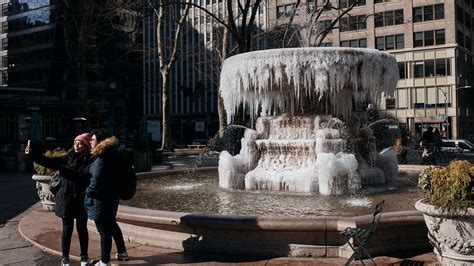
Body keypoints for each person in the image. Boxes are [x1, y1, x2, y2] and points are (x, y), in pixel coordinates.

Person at [25, 133, 94, 266]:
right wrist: (33, 155)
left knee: (82, 228)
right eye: (75, 142)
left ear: (86, 145)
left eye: (80, 142)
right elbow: (49, 162)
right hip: (66, 198)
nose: (76, 144)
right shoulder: (67, 158)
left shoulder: (91, 160)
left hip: (81, 198)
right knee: (67, 229)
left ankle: (84, 258)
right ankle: (65, 258)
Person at [84, 129, 128, 266]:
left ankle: (104, 262)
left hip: (100, 200)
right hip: (111, 197)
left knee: (104, 231)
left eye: (93, 139)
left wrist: (88, 192)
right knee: (112, 225)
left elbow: (96, 181)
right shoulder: (113, 155)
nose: (91, 141)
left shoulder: (101, 159)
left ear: (100, 142)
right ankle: (122, 252)